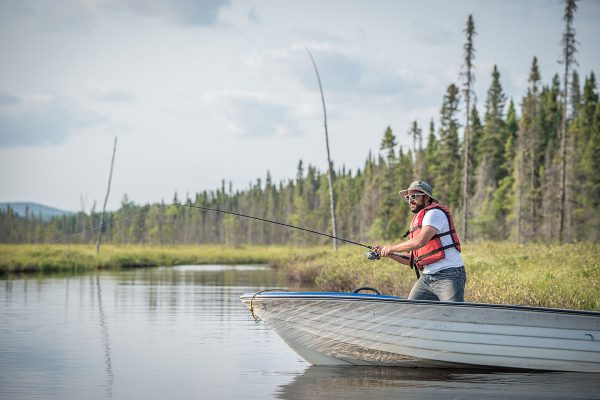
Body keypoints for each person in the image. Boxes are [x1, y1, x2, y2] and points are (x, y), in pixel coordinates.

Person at [373, 181, 466, 302]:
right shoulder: (420, 220)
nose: (410, 200)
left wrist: (391, 248)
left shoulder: (435, 214)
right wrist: (388, 253)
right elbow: (412, 259)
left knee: (454, 315)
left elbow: (420, 241)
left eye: (414, 196)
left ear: (427, 197)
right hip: (427, 278)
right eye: (408, 197)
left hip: (449, 275)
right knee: (412, 312)